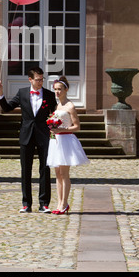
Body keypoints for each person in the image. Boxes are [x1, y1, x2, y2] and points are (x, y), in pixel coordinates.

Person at [0, 67, 57, 213]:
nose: (41, 82)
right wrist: (0, 93)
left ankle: (44, 204)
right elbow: (7, 108)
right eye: (38, 79)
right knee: (26, 170)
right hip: (26, 135)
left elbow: (55, 113)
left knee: (45, 170)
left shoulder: (49, 94)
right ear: (30, 79)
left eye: (42, 79)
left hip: (44, 136)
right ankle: (26, 204)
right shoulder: (22, 93)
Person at [47, 76, 89, 215]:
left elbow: (77, 127)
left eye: (60, 89)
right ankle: (59, 203)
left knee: (64, 173)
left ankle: (64, 204)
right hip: (56, 140)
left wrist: (61, 130)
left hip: (66, 141)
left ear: (66, 89)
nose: (57, 92)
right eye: (55, 90)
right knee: (57, 174)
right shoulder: (57, 105)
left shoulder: (70, 106)